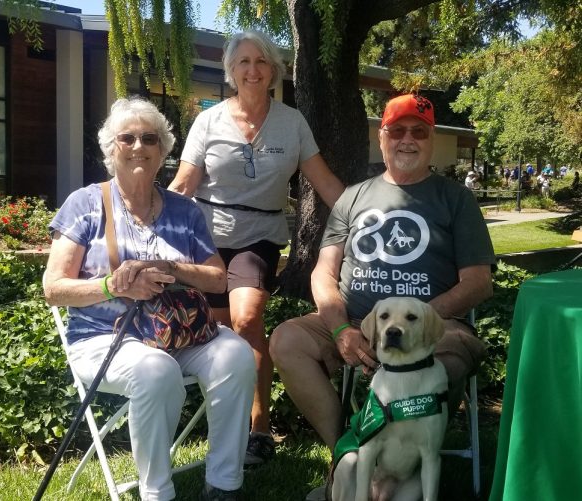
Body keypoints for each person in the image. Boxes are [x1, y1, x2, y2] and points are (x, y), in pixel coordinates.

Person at [44, 97, 256, 501]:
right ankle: (157, 492)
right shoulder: (87, 204)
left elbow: (216, 279)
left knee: (237, 356)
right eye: (128, 138)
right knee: (155, 372)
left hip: (179, 332)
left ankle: (224, 484)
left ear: (163, 151)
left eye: (149, 138)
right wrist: (113, 286)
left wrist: (171, 267)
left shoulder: (184, 210)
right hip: (105, 337)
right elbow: (53, 289)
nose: (139, 146)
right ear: (111, 149)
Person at [270, 94, 494, 463]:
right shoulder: (352, 199)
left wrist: (416, 322)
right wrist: (341, 330)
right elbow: (324, 272)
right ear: (382, 137)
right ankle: (349, 454)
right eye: (397, 130)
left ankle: (406, 465)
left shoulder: (455, 199)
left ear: (431, 139)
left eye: (418, 132)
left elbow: (478, 282)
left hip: (429, 326)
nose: (408, 139)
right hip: (355, 321)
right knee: (286, 340)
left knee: (449, 355)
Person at [168, 30, 344, 465]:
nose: (252, 70)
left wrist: (367, 216)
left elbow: (324, 183)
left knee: (247, 319)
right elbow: (185, 183)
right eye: (243, 62)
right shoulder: (208, 122)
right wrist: (149, 220)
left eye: (261, 62)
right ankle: (227, 420)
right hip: (206, 239)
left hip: (259, 236)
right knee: (219, 332)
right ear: (231, 72)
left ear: (273, 71)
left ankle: (260, 426)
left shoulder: (292, 122)